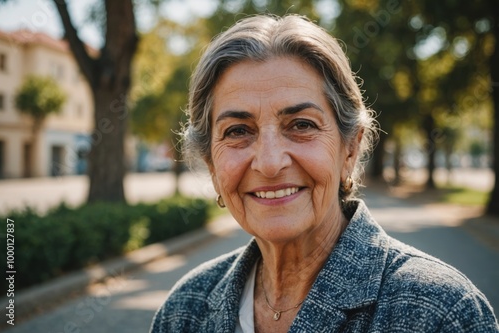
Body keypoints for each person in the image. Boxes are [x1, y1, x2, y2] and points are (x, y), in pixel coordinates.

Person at [150, 14, 498, 333]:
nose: (269, 163)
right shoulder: (184, 311)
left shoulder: (442, 313)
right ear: (211, 163)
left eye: (301, 125)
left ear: (350, 149)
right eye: (238, 131)